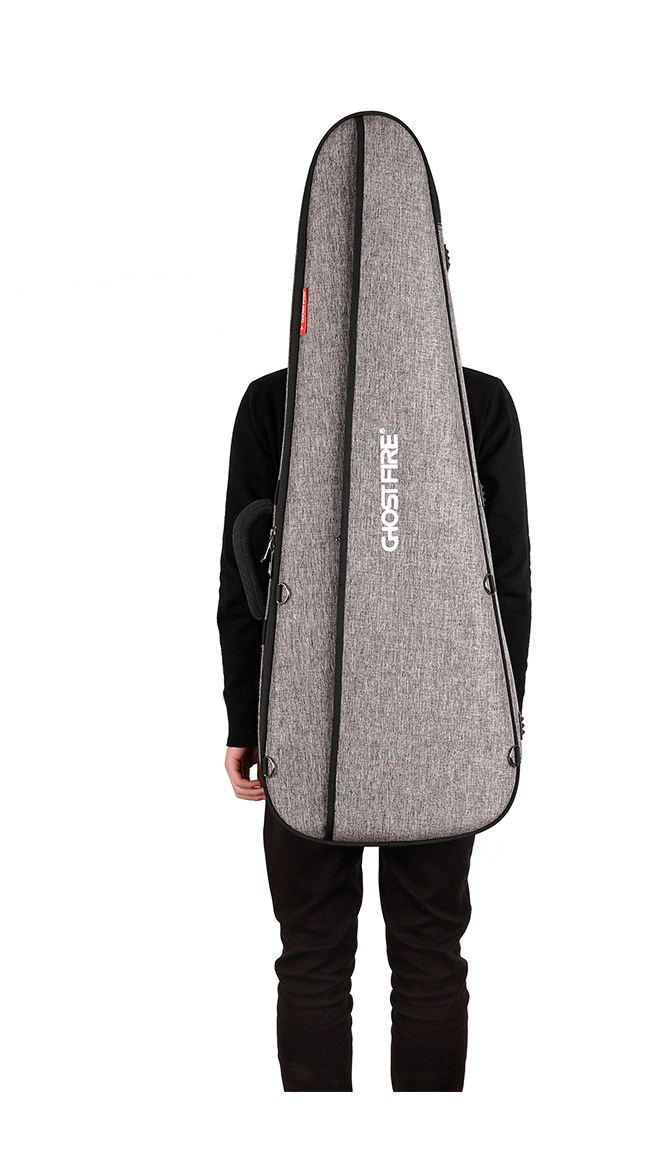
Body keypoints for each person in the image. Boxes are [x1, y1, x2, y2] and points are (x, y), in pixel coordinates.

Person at [217, 365, 532, 1091]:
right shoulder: (480, 400)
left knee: (312, 956)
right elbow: (508, 580)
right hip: (444, 719)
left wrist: (244, 718)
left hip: (305, 717)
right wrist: (503, 716)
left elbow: (244, 575)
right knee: (430, 954)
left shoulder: (275, 398)